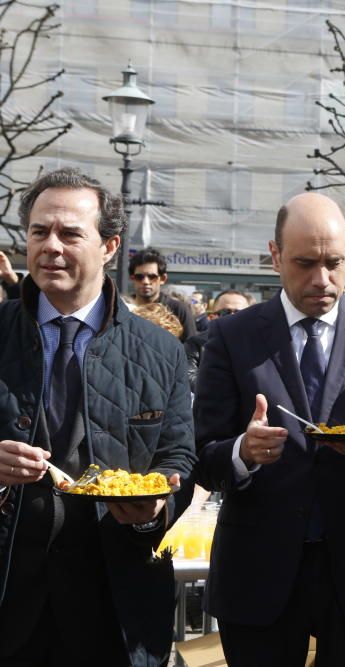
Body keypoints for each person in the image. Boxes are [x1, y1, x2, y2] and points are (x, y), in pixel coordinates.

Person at [193, 192, 345, 666]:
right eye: (305, 263)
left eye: (335, 263)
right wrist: (243, 451)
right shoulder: (232, 336)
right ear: (275, 255)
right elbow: (202, 453)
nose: (322, 280)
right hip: (259, 569)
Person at [0, 167, 196, 665]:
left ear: (110, 247)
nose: (50, 246)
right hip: (9, 598)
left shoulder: (160, 351)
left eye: (69, 233)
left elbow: (178, 457)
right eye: (39, 231)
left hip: (117, 603)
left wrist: (154, 512)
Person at [185, 290, 253, 391]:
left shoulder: (261, 345)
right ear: (212, 317)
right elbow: (188, 377)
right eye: (225, 312)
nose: (233, 317)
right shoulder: (196, 344)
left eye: (240, 313)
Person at [129, 247, 197, 341]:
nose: (145, 281)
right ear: (132, 278)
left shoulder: (178, 309)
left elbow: (192, 347)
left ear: (163, 279)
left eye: (152, 277)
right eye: (139, 277)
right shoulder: (123, 307)